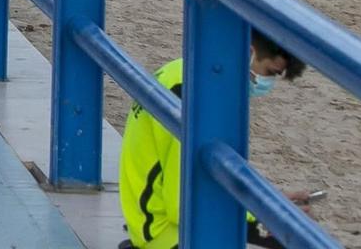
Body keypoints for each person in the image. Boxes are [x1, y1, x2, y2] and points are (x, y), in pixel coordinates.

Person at [119, 31, 308, 249]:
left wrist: (268, 201)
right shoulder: (196, 96)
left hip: (154, 223)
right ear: (248, 52)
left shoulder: (186, 72)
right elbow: (182, 206)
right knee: (291, 239)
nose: (268, 83)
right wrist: (263, 217)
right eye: (269, 72)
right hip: (165, 235)